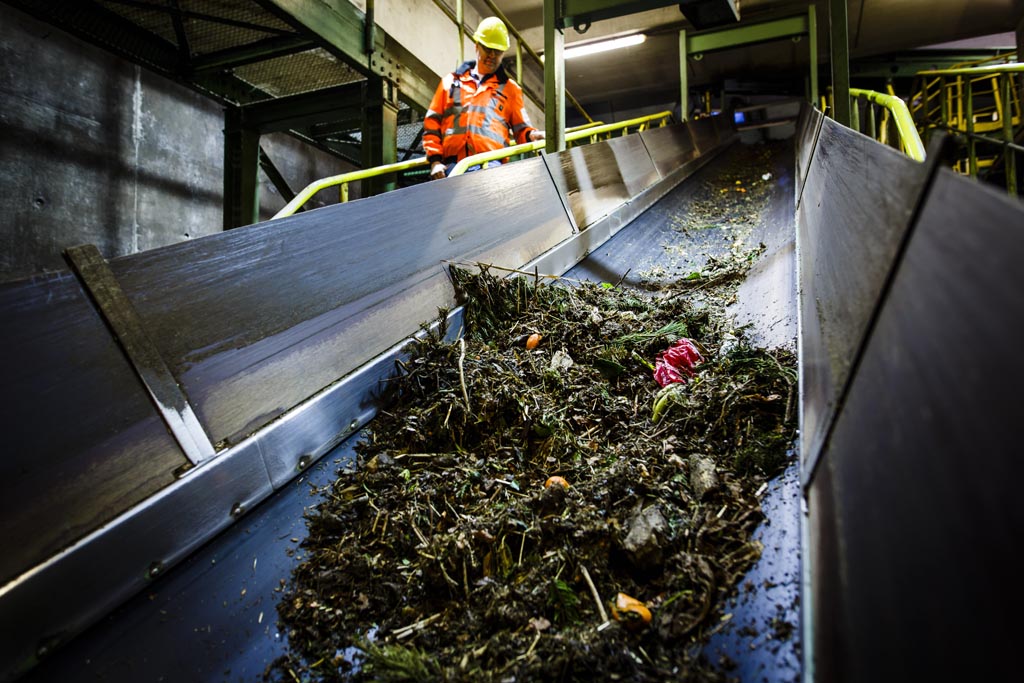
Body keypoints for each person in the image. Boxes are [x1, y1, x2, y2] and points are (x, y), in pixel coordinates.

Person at [423, 17, 544, 180]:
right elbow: (432, 124)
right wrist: (435, 161)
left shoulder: (510, 89)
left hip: (491, 166)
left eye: (497, 51)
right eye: (488, 49)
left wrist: (531, 135)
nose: (492, 55)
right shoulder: (450, 83)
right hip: (454, 167)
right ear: (477, 45)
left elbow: (522, 129)